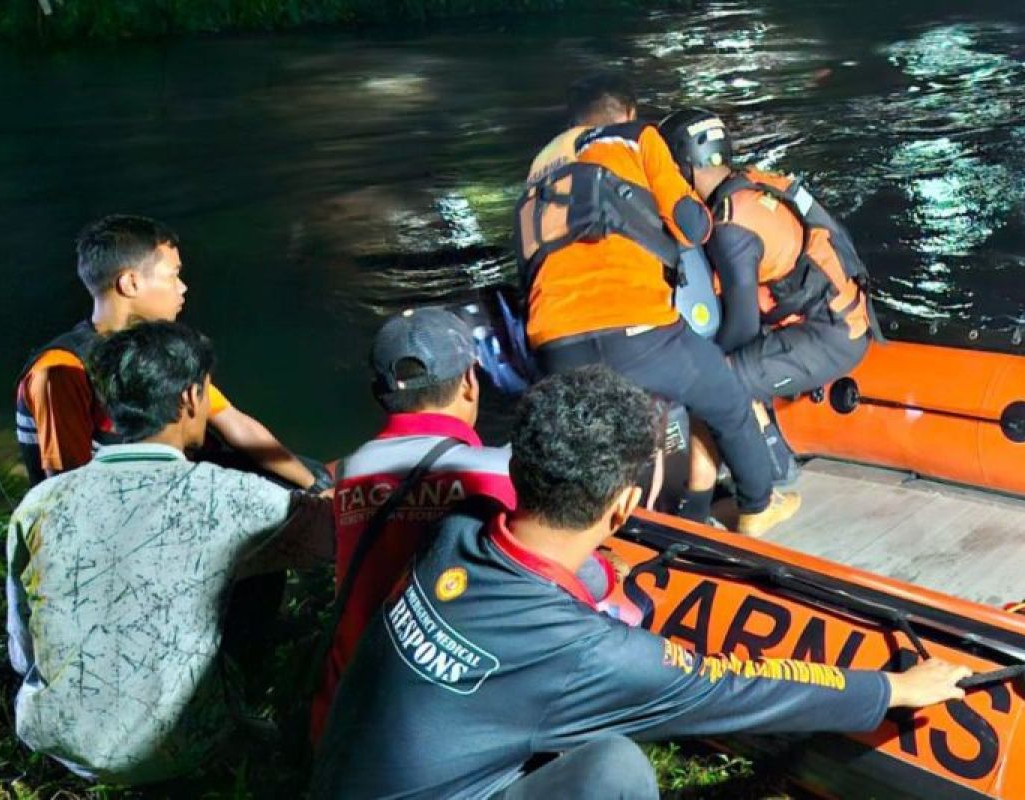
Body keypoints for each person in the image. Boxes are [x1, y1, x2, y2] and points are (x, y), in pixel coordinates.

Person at [311, 365, 972, 799]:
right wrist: (890, 687)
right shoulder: (586, 653)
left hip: (339, 777)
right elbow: (736, 686)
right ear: (624, 507)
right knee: (616, 770)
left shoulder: (454, 535)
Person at [6, 322, 334, 785]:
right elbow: (336, 539)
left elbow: (23, 649)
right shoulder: (234, 495)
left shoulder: (39, 503)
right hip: (178, 745)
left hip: (56, 738)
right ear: (189, 400)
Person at [311, 306, 624, 740]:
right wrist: (608, 571)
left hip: (347, 716)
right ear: (470, 383)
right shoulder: (498, 470)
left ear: (377, 393)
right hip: (454, 720)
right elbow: (574, 575)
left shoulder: (347, 472)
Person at [514, 73, 797, 536]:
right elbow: (690, 225)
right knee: (726, 397)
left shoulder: (542, 166)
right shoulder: (634, 138)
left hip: (554, 342)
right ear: (625, 113)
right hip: (638, 330)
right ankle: (757, 505)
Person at [659, 108, 881, 504]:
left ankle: (772, 472)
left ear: (683, 166)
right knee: (724, 367)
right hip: (832, 320)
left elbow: (742, 328)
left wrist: (692, 366)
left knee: (716, 380)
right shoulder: (747, 187)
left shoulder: (731, 228)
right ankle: (747, 455)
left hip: (828, 336)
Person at [14, 214, 319, 491]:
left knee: (303, 473)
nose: (183, 288)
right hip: (119, 503)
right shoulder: (62, 369)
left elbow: (235, 424)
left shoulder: (150, 353)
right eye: (173, 275)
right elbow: (67, 483)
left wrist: (315, 485)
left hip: (156, 482)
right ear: (130, 282)